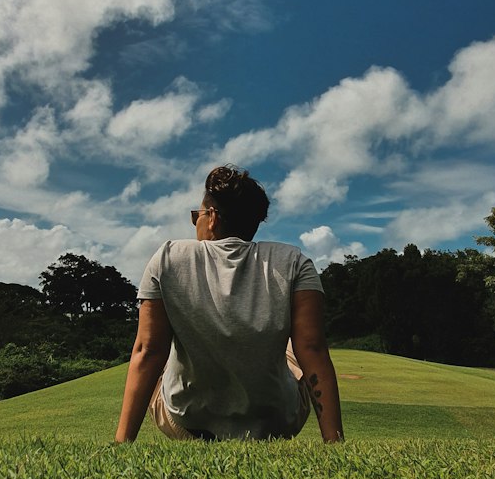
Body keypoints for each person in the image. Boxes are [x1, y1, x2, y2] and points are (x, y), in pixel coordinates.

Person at [115, 165, 344, 443]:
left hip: (186, 423)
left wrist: (122, 442)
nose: (195, 222)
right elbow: (313, 349)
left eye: (195, 216)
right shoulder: (294, 262)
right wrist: (334, 442)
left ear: (211, 217)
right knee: (293, 348)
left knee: (164, 351)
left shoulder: (167, 258)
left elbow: (148, 350)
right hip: (276, 423)